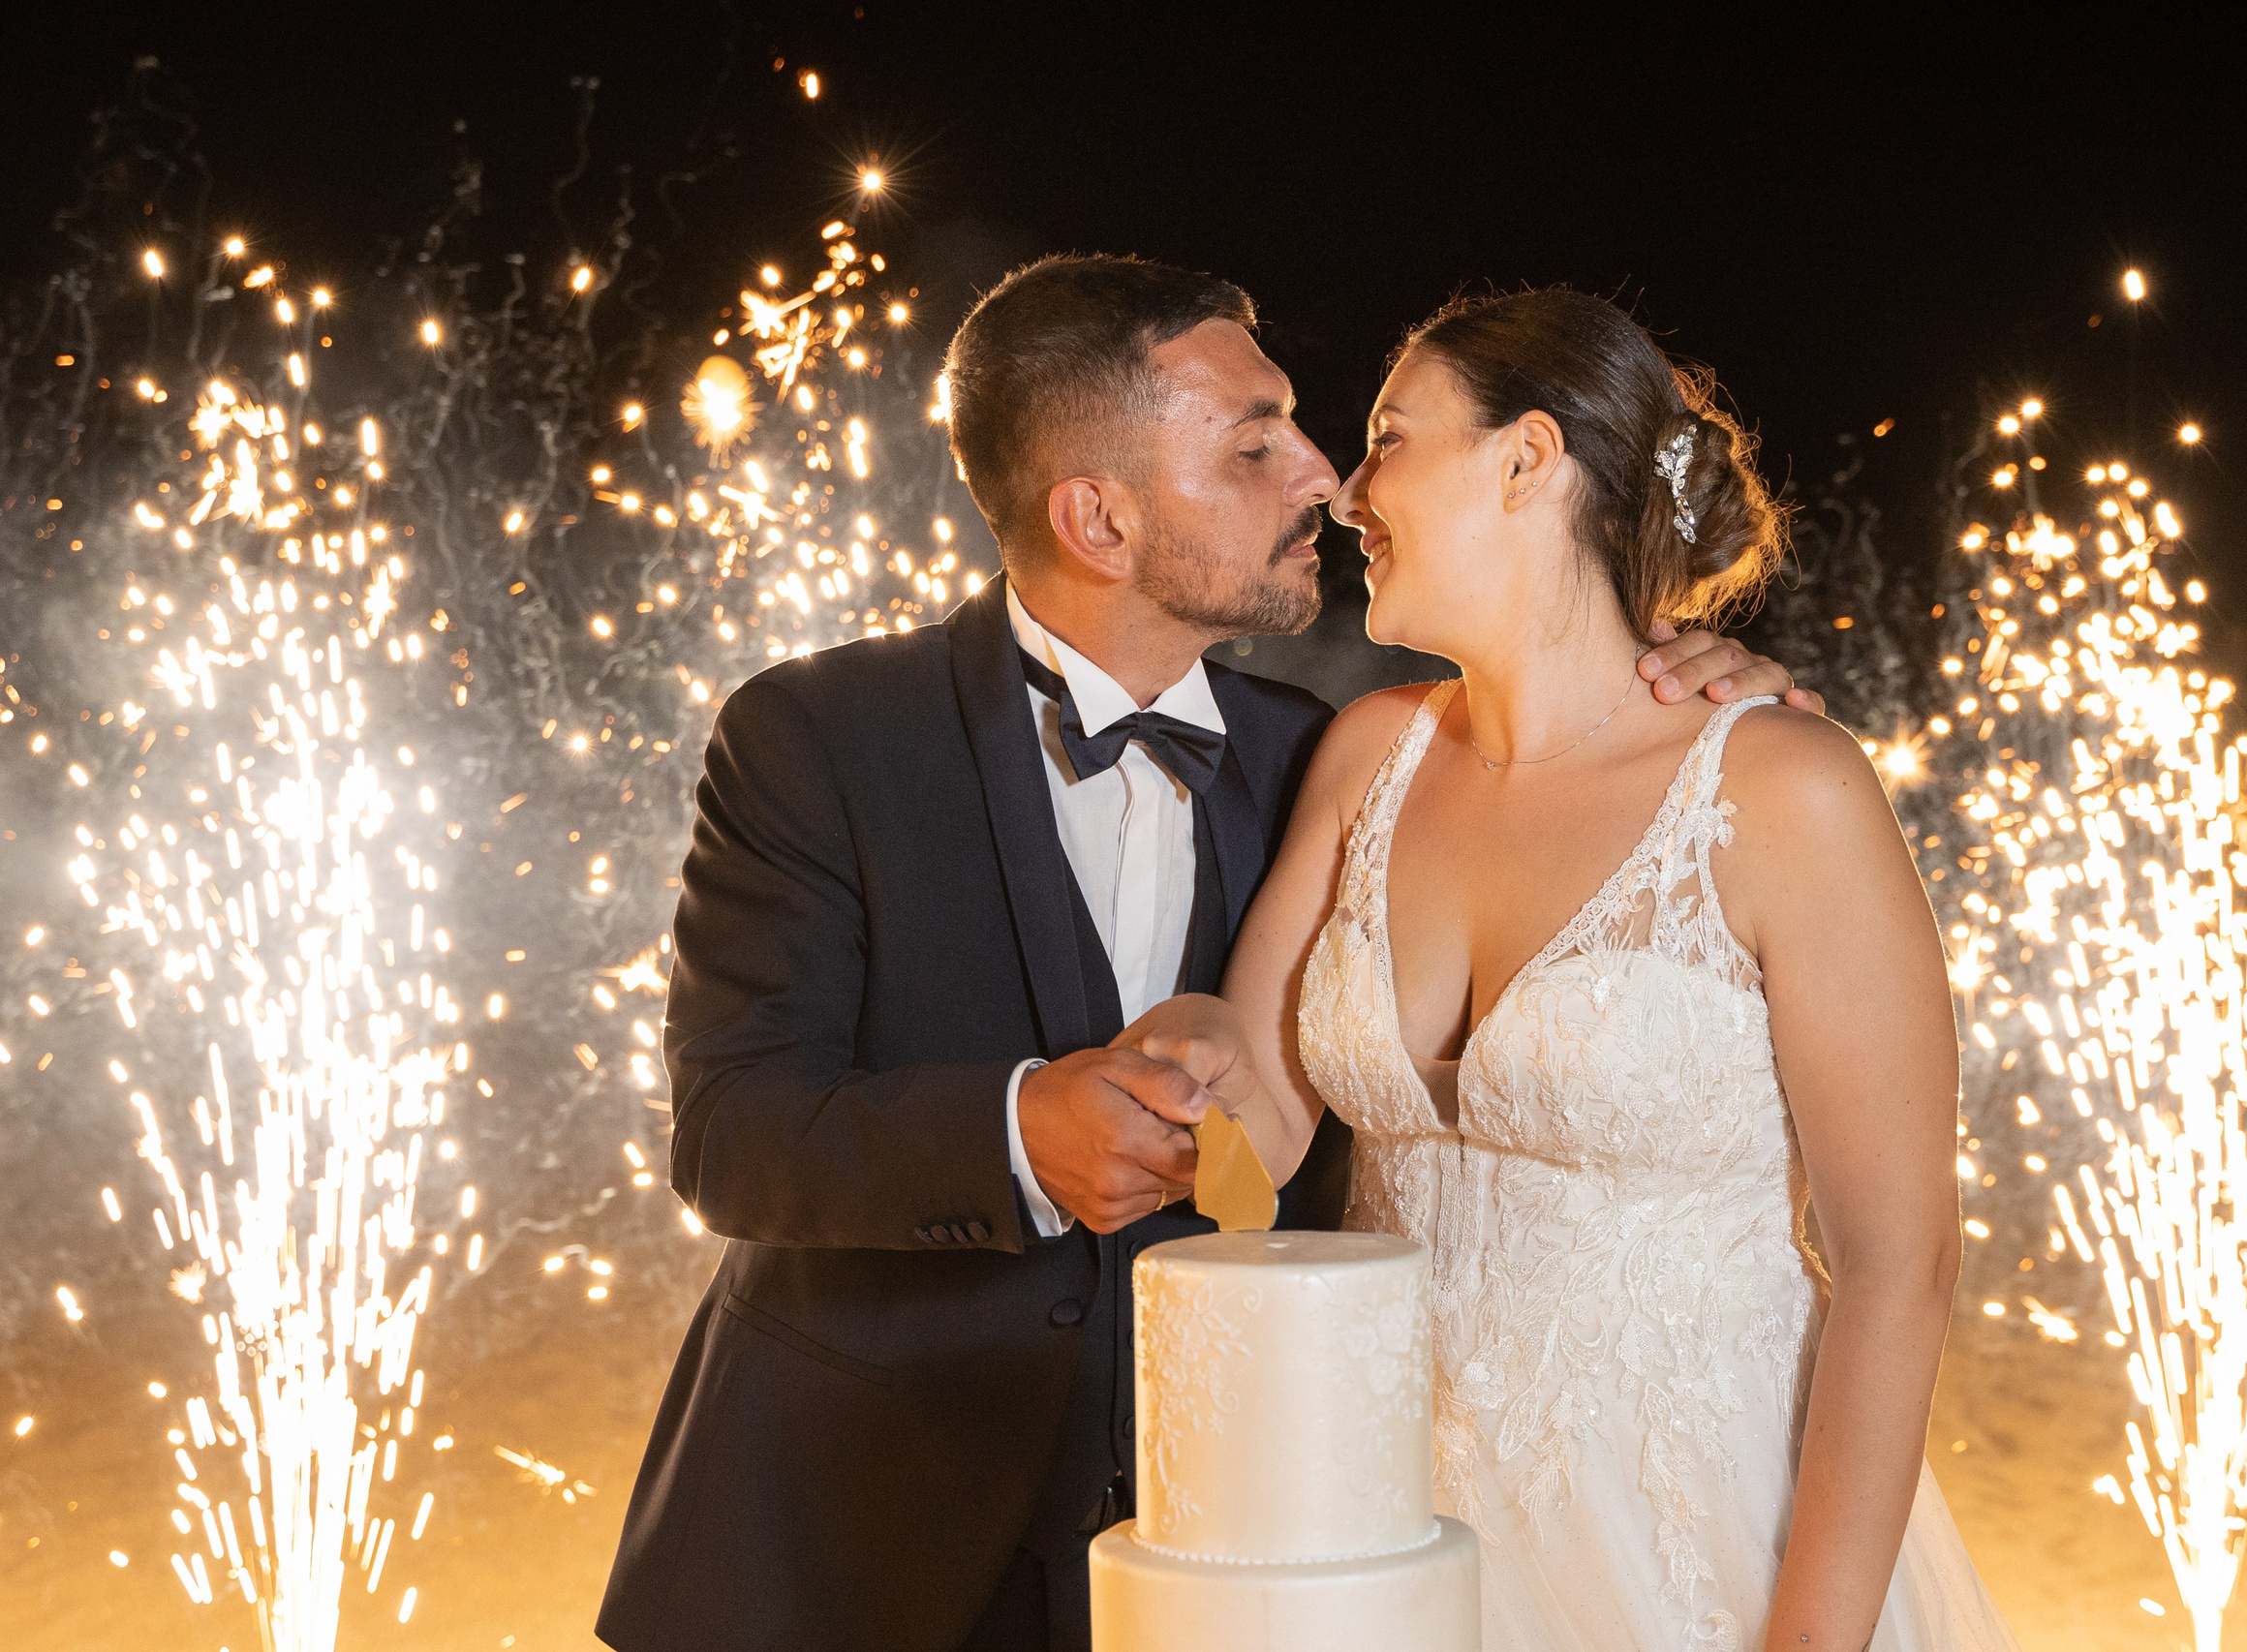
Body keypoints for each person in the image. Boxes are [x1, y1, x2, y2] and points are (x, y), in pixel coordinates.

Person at [595, 258, 1807, 1652]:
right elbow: (731, 1130)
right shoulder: (813, 737)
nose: (1325, 477)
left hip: (1244, 1551)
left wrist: (1684, 679)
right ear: (1096, 517)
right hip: (849, 1550)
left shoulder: (1344, 763)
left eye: (1307, 427)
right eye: (1255, 444)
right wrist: (1010, 1132)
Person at [1124, 289, 2020, 1650]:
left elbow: (1900, 1260)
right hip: (1385, 1533)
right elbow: (1260, 1119)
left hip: (1698, 1546)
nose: (1350, 491)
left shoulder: (1784, 789)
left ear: (1527, 461)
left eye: (1388, 438)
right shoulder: (1371, 755)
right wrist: (1182, 1054)